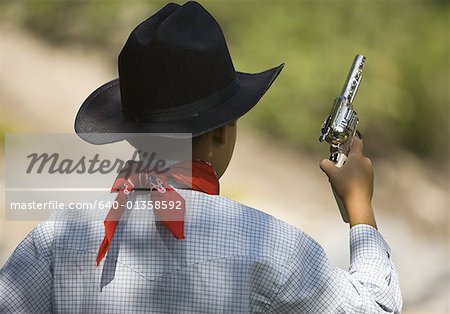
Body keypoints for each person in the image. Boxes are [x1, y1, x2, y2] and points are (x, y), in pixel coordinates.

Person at [0, 1, 402, 313]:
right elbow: (376, 307)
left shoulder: (59, 237)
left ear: (133, 134)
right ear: (223, 130)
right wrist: (360, 208)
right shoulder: (271, 247)